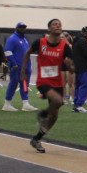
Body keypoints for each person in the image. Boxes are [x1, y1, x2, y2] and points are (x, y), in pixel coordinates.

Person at [27, 19, 74, 153]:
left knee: (54, 115)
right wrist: (23, 70)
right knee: (58, 101)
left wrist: (70, 66)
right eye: (55, 24)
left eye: (60, 24)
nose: (58, 26)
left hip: (57, 81)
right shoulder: (40, 42)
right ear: (49, 29)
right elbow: (27, 53)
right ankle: (42, 114)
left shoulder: (65, 46)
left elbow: (72, 68)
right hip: (43, 80)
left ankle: (36, 139)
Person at [3, 22, 37, 112]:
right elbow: (7, 51)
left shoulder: (25, 39)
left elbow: (27, 53)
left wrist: (29, 66)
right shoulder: (12, 38)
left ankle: (25, 104)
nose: (23, 29)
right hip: (16, 67)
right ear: (17, 28)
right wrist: (14, 63)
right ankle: (7, 104)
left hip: (25, 67)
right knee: (13, 84)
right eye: (21, 27)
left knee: (25, 85)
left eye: (24, 27)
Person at [71, 26, 87, 113]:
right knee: (85, 86)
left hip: (78, 66)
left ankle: (76, 104)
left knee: (78, 86)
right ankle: (79, 105)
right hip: (85, 66)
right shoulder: (83, 41)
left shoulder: (75, 40)